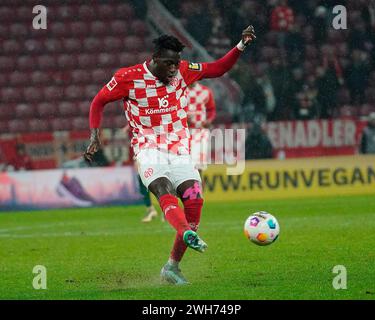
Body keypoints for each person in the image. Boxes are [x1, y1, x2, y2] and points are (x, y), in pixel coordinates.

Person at [84, 26, 256, 285]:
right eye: (169, 63)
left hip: (179, 151)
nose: (174, 69)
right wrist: (94, 134)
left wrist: (241, 45)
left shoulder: (184, 71)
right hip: (148, 147)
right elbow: (98, 101)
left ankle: (172, 267)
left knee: (195, 201)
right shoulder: (127, 77)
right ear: (155, 59)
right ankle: (185, 231)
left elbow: (218, 68)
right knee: (163, 188)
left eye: (177, 63)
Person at [186, 82, 216, 174]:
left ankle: (197, 188)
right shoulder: (180, 90)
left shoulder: (205, 91)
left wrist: (209, 120)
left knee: (199, 165)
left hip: (200, 132)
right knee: (184, 164)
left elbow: (211, 109)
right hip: (184, 132)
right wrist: (184, 118)